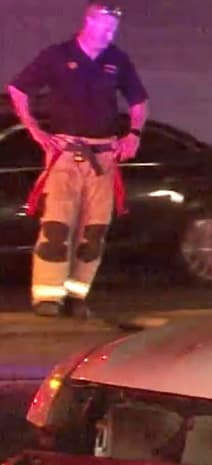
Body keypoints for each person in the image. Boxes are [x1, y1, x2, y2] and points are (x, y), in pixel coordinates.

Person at [7, 2, 148, 319]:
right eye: (105, 27)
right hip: (66, 155)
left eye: (113, 29)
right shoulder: (58, 55)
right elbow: (18, 90)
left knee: (94, 231)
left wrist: (134, 133)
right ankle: (48, 297)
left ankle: (77, 296)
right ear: (89, 22)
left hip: (103, 156)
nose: (109, 34)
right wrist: (35, 129)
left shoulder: (117, 60)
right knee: (57, 227)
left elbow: (139, 102)